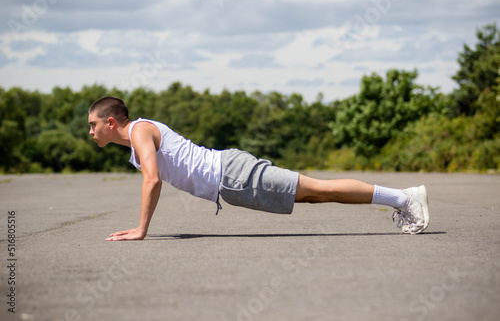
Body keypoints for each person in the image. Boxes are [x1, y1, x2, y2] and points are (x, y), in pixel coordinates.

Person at [88, 96, 430, 241]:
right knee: (314, 196)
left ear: (111, 121)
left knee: (319, 188)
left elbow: (153, 178)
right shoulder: (137, 137)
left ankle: (404, 199)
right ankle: (401, 200)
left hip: (234, 175)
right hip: (232, 180)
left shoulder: (139, 131)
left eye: (93, 125)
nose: (90, 132)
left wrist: (141, 228)